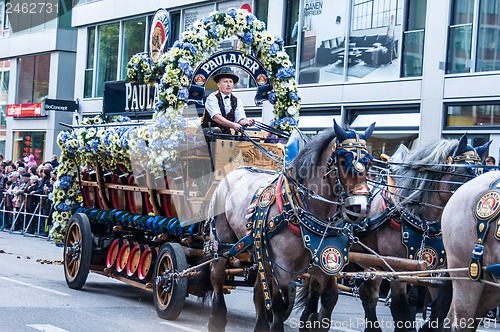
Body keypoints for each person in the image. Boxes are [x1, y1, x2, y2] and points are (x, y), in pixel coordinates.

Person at [200, 68, 254, 134]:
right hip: (207, 132)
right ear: (218, 84)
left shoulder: (237, 100)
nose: (228, 84)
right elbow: (216, 117)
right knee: (217, 131)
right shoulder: (212, 97)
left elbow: (240, 118)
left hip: (225, 133)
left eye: (231, 82)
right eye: (225, 81)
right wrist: (233, 125)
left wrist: (247, 122)